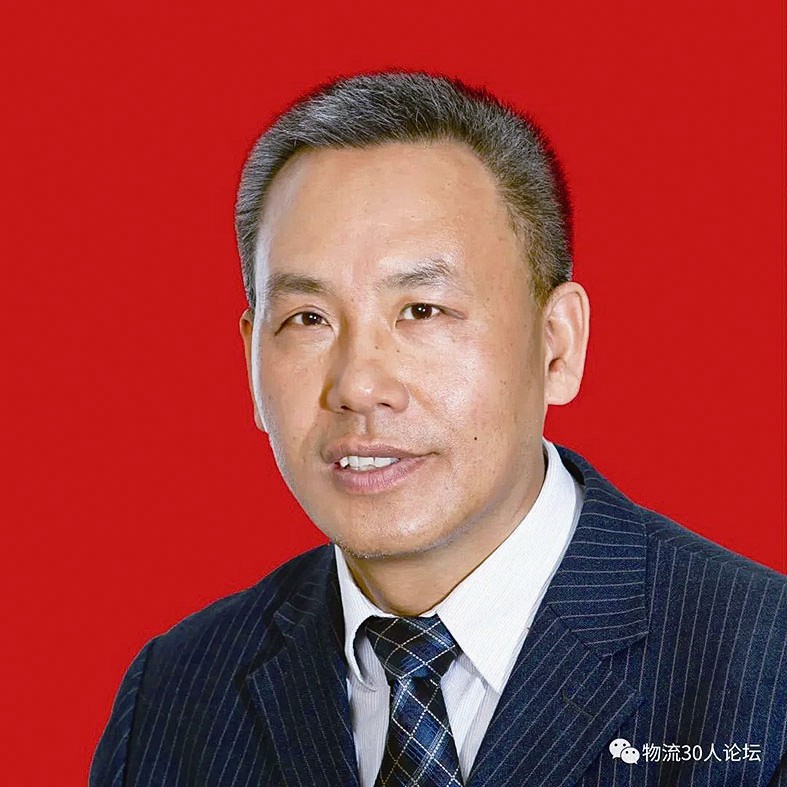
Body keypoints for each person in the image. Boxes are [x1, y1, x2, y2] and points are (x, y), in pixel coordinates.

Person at [90, 71, 787, 787]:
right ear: (250, 362)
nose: (358, 385)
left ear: (557, 344)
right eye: (308, 319)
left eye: (421, 311)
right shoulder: (173, 698)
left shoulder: (763, 672)